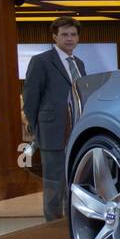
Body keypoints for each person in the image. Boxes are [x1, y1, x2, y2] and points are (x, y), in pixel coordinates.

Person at [24, 16, 86, 221]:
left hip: (76, 130)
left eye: (73, 34)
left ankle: (71, 223)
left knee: (74, 180)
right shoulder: (41, 61)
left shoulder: (79, 63)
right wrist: (37, 131)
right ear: (55, 37)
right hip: (53, 131)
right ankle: (52, 224)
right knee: (53, 182)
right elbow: (31, 100)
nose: (69, 39)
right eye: (64, 35)